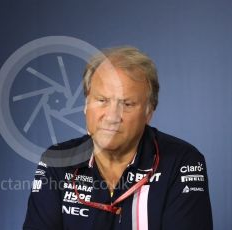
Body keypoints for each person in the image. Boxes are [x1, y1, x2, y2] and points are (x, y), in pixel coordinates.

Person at [23, 46, 213, 229]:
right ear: (86, 105)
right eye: (102, 100)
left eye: (127, 104)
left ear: (149, 112)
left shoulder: (182, 162)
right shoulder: (57, 160)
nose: (112, 117)